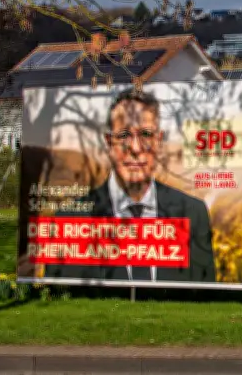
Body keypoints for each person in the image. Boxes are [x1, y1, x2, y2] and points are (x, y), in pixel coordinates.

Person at [44, 88, 216, 283]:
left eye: (146, 134)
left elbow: (206, 293)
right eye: (124, 135)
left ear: (159, 142)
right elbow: (59, 295)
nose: (135, 148)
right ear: (109, 143)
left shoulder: (193, 214)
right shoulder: (70, 221)